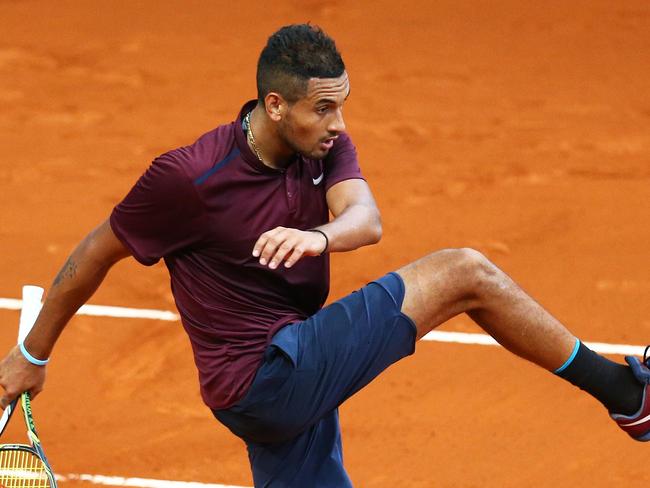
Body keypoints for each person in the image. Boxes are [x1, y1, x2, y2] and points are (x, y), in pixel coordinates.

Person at [0, 23, 648, 487]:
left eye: (342, 106)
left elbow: (365, 220)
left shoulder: (324, 144)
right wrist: (32, 354)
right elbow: (92, 253)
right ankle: (626, 396)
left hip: (287, 365)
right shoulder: (189, 179)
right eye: (323, 109)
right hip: (264, 378)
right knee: (464, 273)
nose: (338, 123)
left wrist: (321, 237)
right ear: (276, 106)